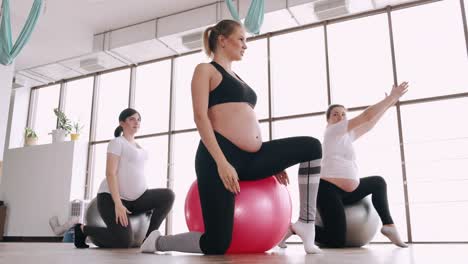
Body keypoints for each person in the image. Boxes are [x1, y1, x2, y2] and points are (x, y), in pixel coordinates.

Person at [141, 19, 323, 255]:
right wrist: (222, 162)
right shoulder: (205, 70)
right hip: (217, 158)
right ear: (222, 40)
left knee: (311, 147)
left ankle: (306, 223)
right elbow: (200, 117)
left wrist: (274, 163)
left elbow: (246, 121)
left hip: (252, 158)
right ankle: (156, 242)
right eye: (241, 39)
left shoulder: (238, 77)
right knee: (216, 244)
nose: (245, 45)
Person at [315, 82, 410, 248]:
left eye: (343, 114)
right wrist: (392, 98)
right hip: (327, 190)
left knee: (378, 182)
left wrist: (388, 104)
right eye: (335, 114)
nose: (340, 117)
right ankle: (298, 228)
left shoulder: (346, 136)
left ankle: (389, 226)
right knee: (336, 240)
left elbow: (369, 124)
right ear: (328, 121)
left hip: (347, 193)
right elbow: (366, 116)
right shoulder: (332, 131)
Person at [74, 108, 175, 248]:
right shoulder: (117, 143)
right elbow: (110, 173)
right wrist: (118, 204)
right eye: (132, 119)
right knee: (123, 242)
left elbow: (135, 173)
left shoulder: (140, 147)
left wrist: (149, 204)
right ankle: (82, 229)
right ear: (122, 123)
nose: (137, 122)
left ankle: (149, 238)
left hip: (137, 199)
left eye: (139, 119)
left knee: (168, 195)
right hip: (111, 198)